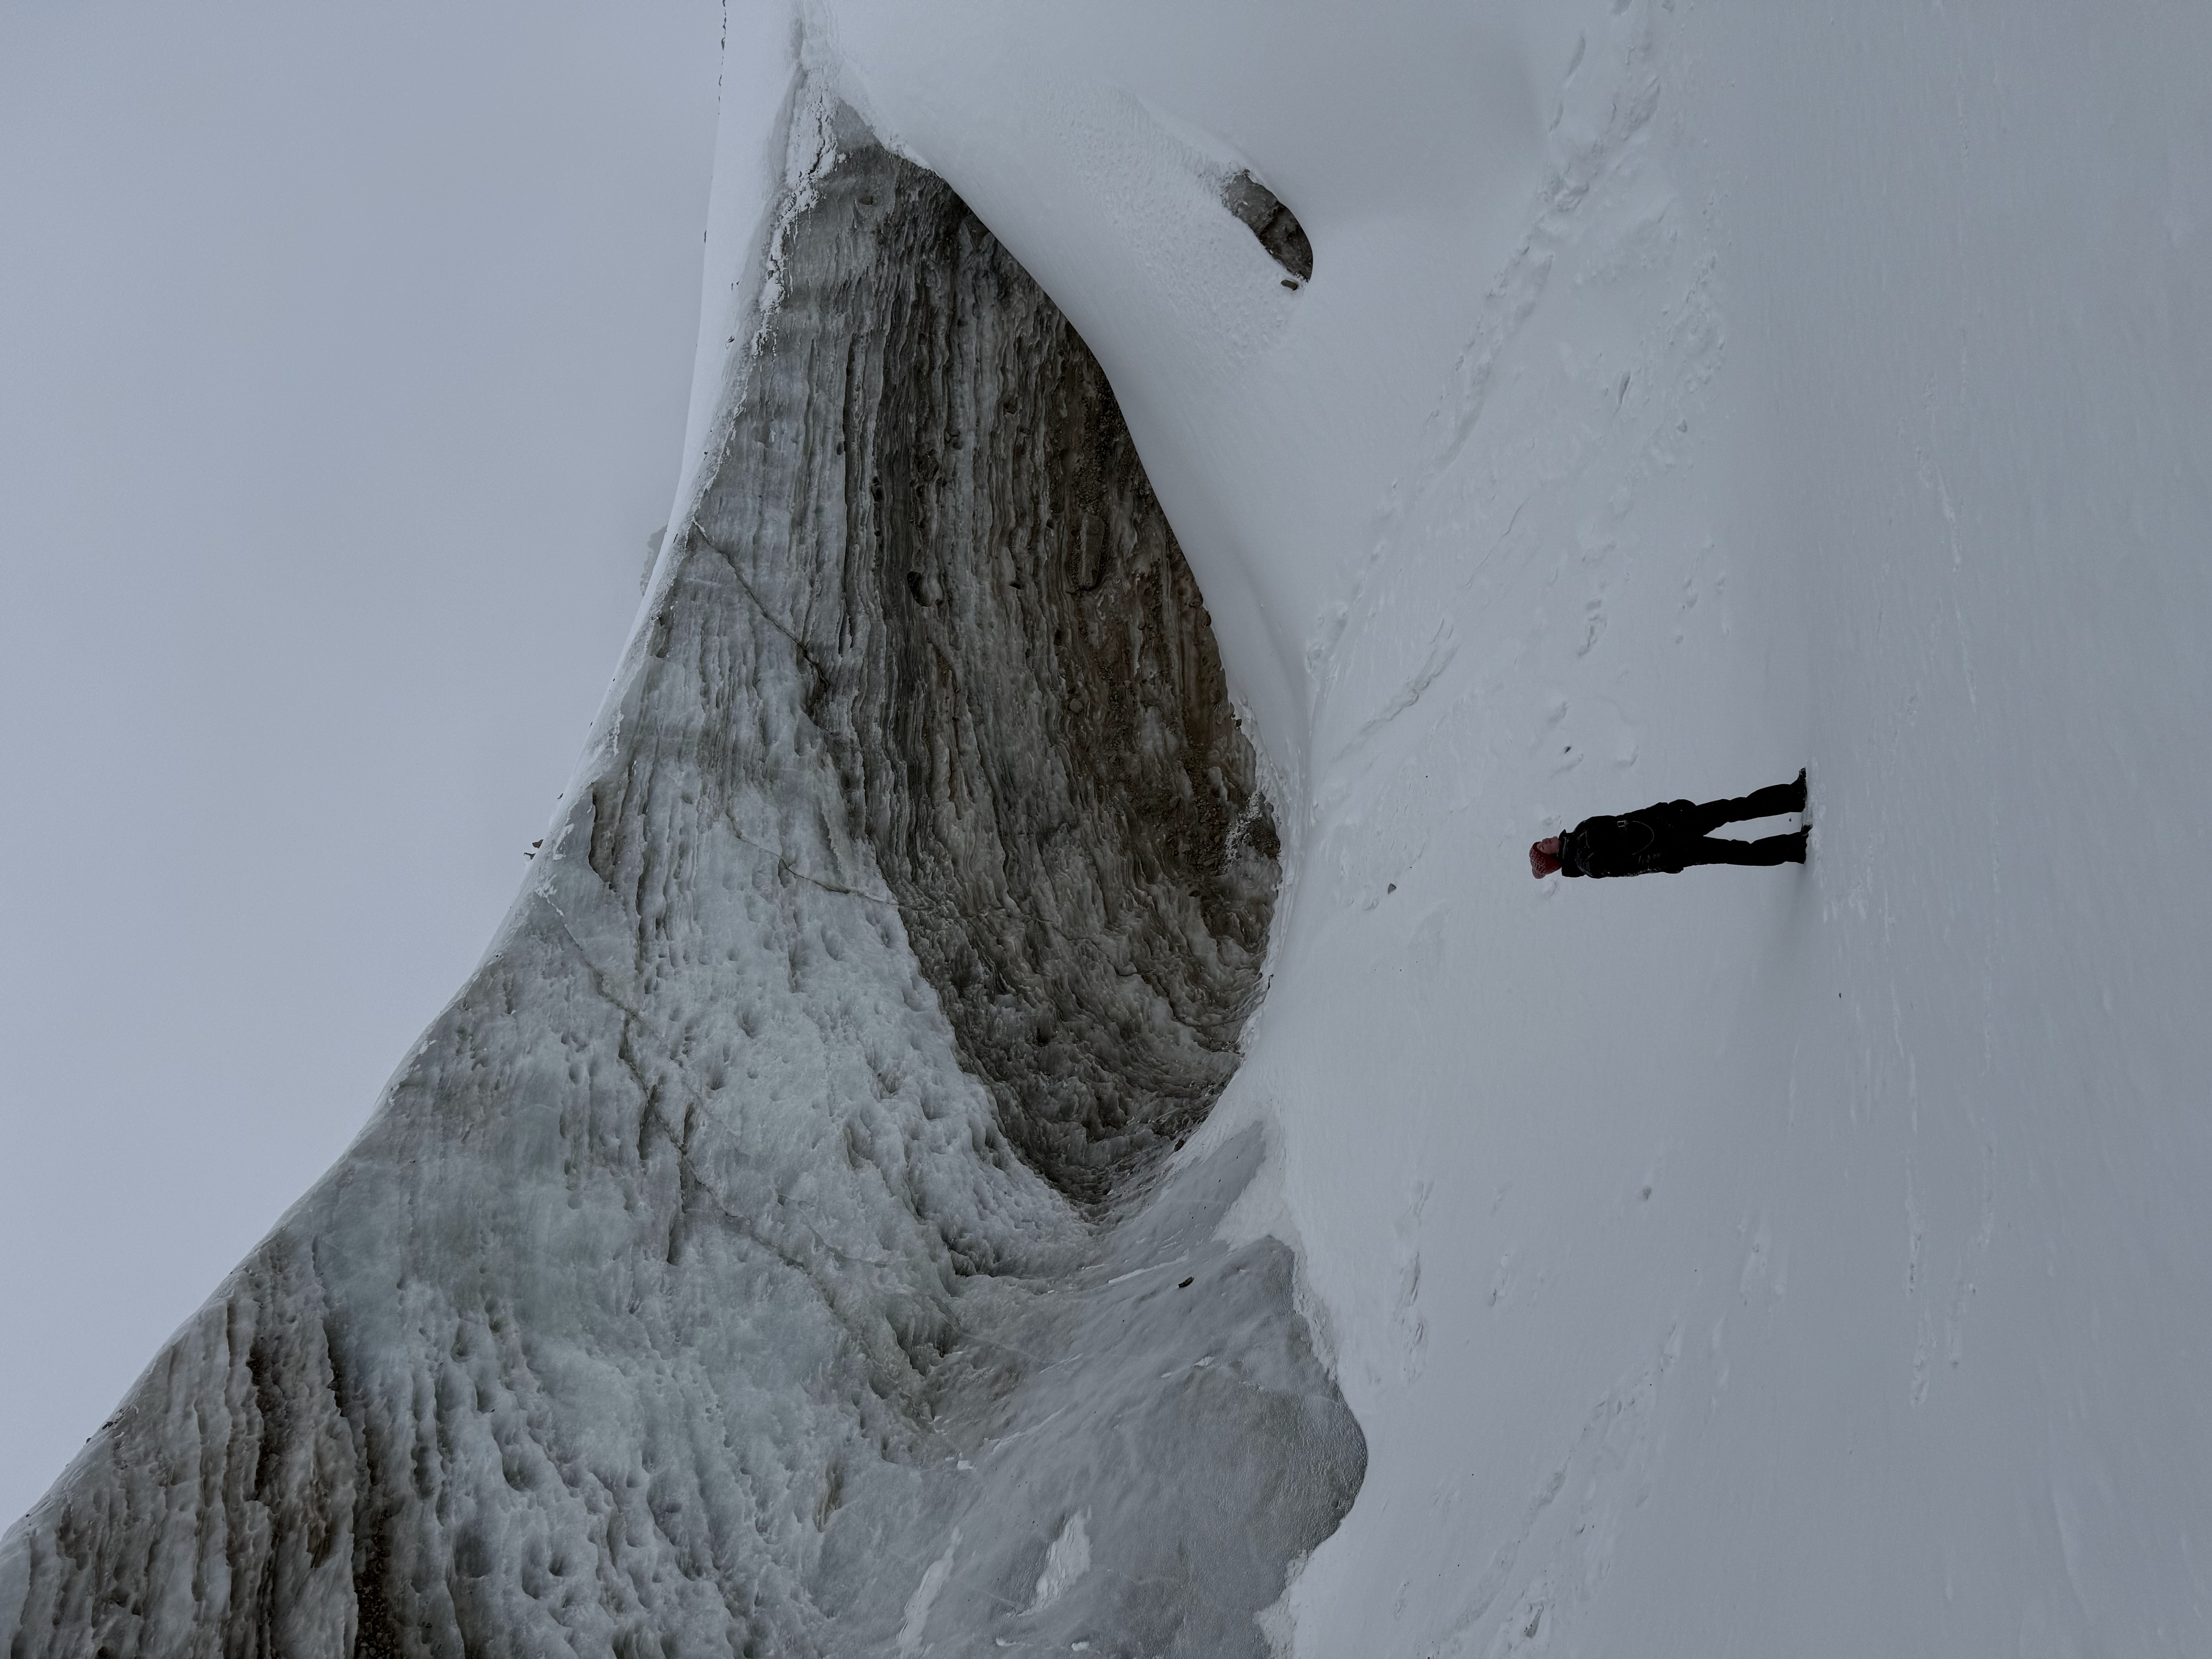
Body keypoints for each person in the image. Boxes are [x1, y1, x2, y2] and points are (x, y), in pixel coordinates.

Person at [1530, 769, 1807, 879]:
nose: (1546, 841)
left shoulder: (1581, 830)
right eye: (1544, 847)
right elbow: (1632, 866)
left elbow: (1624, 819)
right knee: (1735, 851)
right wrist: (1666, 859)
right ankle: (1793, 849)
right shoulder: (1586, 862)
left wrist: (1663, 809)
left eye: (1542, 842)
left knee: (1732, 807)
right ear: (1554, 857)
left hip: (1670, 821)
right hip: (1673, 848)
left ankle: (1792, 796)